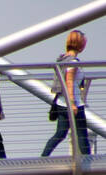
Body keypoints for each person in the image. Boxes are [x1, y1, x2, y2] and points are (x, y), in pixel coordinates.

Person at [43, 30, 91, 158]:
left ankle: (43, 157)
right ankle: (88, 161)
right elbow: (69, 82)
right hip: (73, 103)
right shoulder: (73, 62)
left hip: (61, 102)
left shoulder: (62, 59)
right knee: (82, 135)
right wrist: (73, 104)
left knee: (60, 133)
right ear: (79, 44)